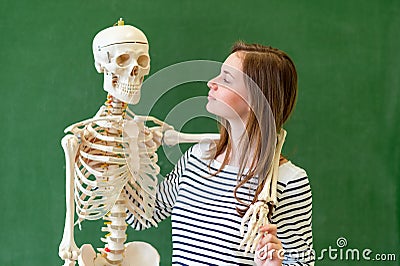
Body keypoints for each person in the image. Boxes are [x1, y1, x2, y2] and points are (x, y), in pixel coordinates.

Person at [126, 41, 314, 265]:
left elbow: (301, 261)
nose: (211, 83)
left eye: (226, 79)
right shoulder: (197, 158)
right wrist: (108, 168)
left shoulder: (289, 181)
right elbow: (142, 215)